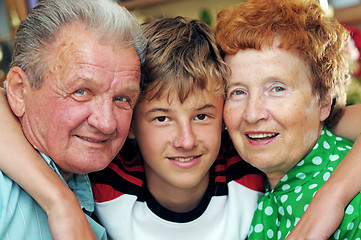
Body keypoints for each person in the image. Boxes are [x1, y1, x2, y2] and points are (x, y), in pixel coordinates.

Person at [0, 7, 360, 240]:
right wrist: (59, 201)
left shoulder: (242, 154)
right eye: (238, 93)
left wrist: (334, 194)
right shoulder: (102, 161)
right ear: (135, 127)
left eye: (203, 115)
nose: (253, 113)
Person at [90, 16, 265, 240]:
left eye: (201, 116)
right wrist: (58, 200)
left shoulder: (251, 170)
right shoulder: (103, 183)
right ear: (130, 123)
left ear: (223, 117)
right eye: (162, 119)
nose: (186, 141)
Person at [214, 0, 361, 239]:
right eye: (237, 92)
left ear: (324, 101)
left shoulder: (355, 208)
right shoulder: (242, 183)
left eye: (277, 89)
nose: (252, 114)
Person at [0, 0, 146, 239]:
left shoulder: (120, 174)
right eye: (81, 92)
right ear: (19, 91)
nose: (106, 123)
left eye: (121, 98)